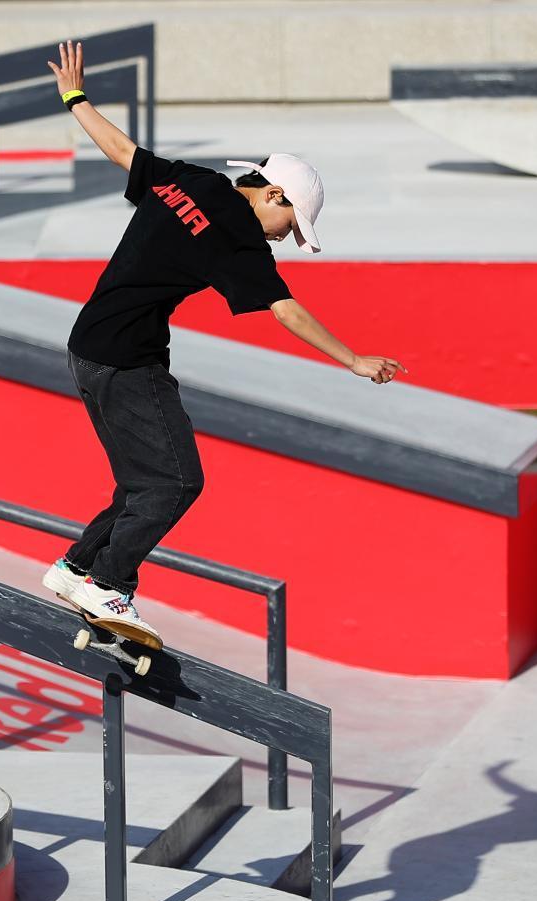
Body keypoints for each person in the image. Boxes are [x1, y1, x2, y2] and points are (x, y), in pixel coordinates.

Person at [41, 39, 407, 638]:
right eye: (290, 224)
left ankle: (77, 568)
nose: (284, 238)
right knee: (177, 481)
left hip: (87, 347)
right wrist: (353, 360)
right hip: (129, 362)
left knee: (141, 482)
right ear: (274, 195)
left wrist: (75, 98)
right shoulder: (239, 238)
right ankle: (107, 584)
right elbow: (286, 311)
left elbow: (121, 151)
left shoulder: (194, 180)